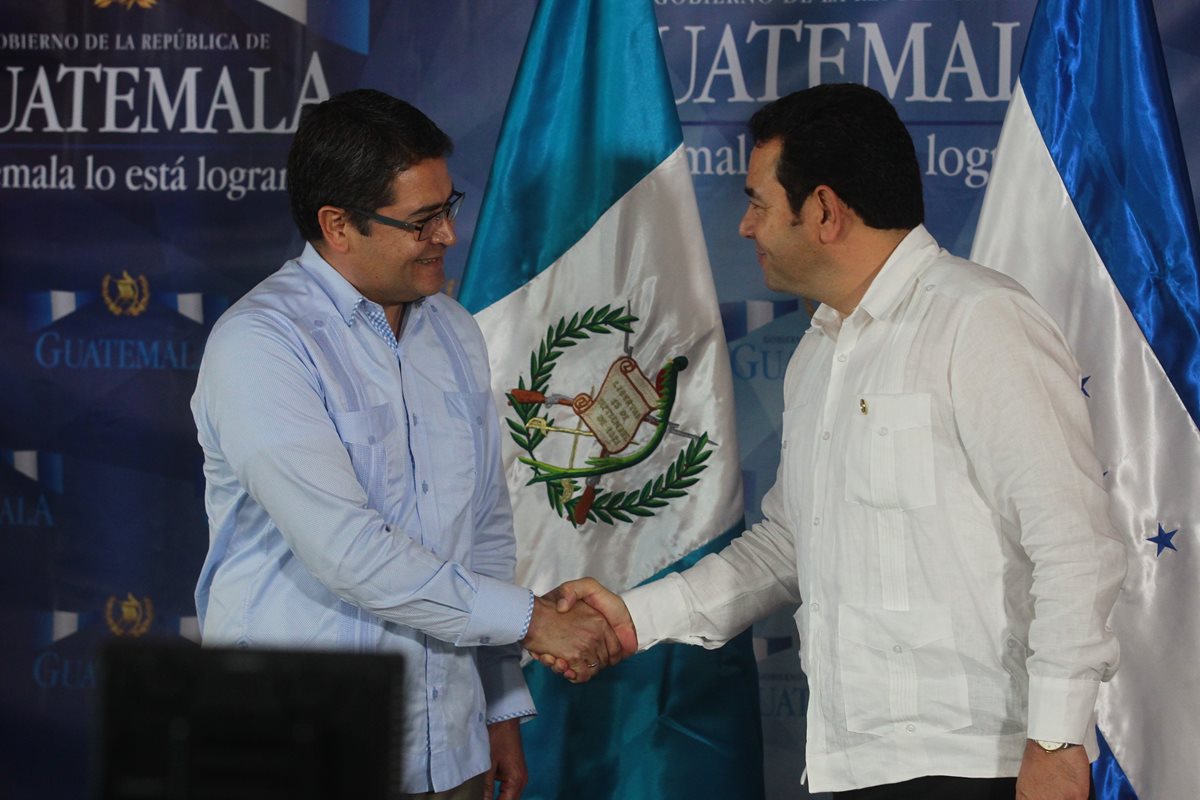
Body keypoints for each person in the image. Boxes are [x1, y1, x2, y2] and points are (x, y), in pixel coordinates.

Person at [548, 84, 1126, 800]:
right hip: (853, 763)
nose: (745, 227)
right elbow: (790, 546)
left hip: (984, 765)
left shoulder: (980, 321)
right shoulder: (819, 351)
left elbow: (1075, 547)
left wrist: (1059, 742)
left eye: (759, 203)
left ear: (824, 211)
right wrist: (637, 618)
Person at [191, 89, 623, 800]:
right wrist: (535, 623)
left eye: (448, 208)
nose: (448, 236)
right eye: (422, 221)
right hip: (302, 750)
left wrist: (498, 706)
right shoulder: (261, 345)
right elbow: (349, 551)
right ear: (338, 225)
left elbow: (484, 529)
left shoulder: (454, 330)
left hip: (449, 748)